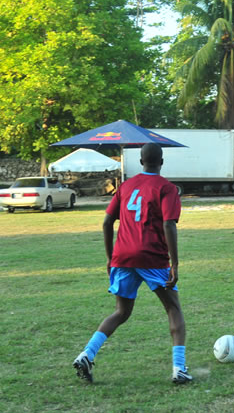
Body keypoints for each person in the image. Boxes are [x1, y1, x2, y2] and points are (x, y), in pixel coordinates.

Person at [72, 142, 191, 385]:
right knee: (173, 309)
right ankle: (179, 368)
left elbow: (106, 223)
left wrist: (109, 257)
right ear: (162, 162)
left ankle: (87, 354)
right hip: (151, 256)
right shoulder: (166, 188)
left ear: (140, 161)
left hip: (123, 256)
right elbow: (169, 224)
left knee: (121, 311)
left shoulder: (126, 186)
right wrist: (175, 264)